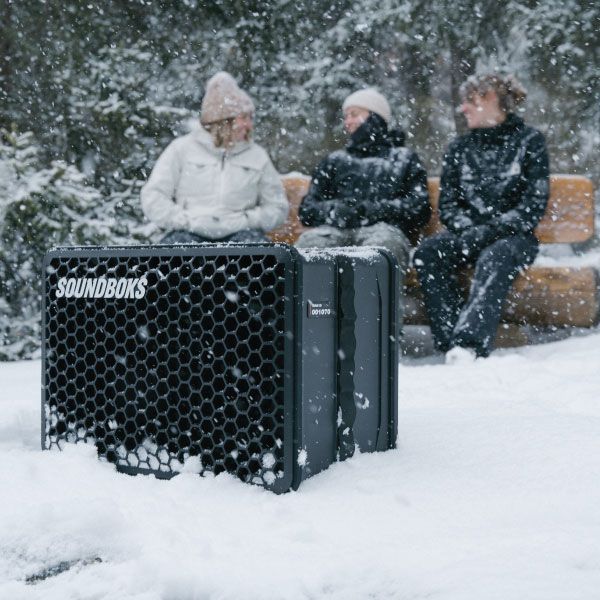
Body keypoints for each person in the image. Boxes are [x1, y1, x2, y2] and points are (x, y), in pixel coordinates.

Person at [413, 73, 550, 359]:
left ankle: (468, 344)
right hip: (468, 234)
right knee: (428, 252)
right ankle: (449, 341)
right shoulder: (459, 148)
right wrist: (468, 229)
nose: (463, 108)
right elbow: (448, 205)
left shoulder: (529, 141)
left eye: (470, 101)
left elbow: (532, 206)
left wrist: (490, 231)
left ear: (492, 100)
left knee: (495, 256)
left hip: (513, 239)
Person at [296, 88, 431, 291]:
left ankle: (375, 319)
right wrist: (338, 210)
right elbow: (307, 209)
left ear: (375, 118)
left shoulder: (403, 159)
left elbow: (419, 208)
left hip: (384, 230)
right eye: (346, 116)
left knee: (379, 252)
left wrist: (371, 210)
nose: (347, 122)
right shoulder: (335, 161)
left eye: (354, 114)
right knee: (310, 248)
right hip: (334, 230)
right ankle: (310, 317)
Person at [141, 71, 288, 244]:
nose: (249, 125)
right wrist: (184, 220)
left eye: (250, 118)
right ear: (223, 121)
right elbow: (153, 196)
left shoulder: (257, 156)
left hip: (242, 234)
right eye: (243, 118)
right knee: (170, 258)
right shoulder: (182, 149)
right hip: (188, 232)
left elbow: (277, 206)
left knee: (261, 256)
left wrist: (248, 220)